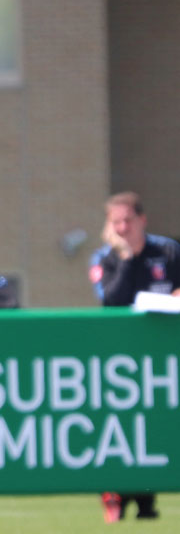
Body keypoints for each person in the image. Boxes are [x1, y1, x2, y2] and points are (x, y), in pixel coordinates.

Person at [90, 191, 179, 523]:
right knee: (119, 423)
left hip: (161, 354)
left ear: (142, 220)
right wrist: (127, 257)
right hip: (120, 358)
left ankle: (146, 499)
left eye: (128, 220)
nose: (123, 228)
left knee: (153, 423)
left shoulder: (168, 251)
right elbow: (111, 301)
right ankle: (113, 493)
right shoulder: (105, 258)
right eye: (116, 222)